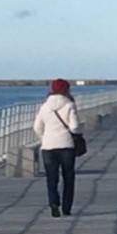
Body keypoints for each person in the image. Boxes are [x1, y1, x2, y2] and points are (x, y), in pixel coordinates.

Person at [33, 78, 80, 218]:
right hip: (66, 145)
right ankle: (67, 207)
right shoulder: (69, 105)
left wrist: (44, 137)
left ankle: (54, 203)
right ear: (66, 89)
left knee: (51, 178)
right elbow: (75, 127)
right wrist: (74, 132)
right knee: (68, 177)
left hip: (48, 147)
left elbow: (37, 127)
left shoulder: (45, 107)